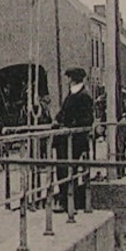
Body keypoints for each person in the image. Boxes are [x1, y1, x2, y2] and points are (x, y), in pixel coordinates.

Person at [54, 67, 96, 211]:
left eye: (69, 78)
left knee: (69, 170)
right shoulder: (71, 94)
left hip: (76, 140)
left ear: (73, 79)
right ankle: (65, 200)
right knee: (63, 169)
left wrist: (70, 127)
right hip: (65, 139)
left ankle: (68, 203)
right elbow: (63, 112)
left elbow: (87, 119)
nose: (68, 81)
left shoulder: (84, 96)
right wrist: (56, 120)